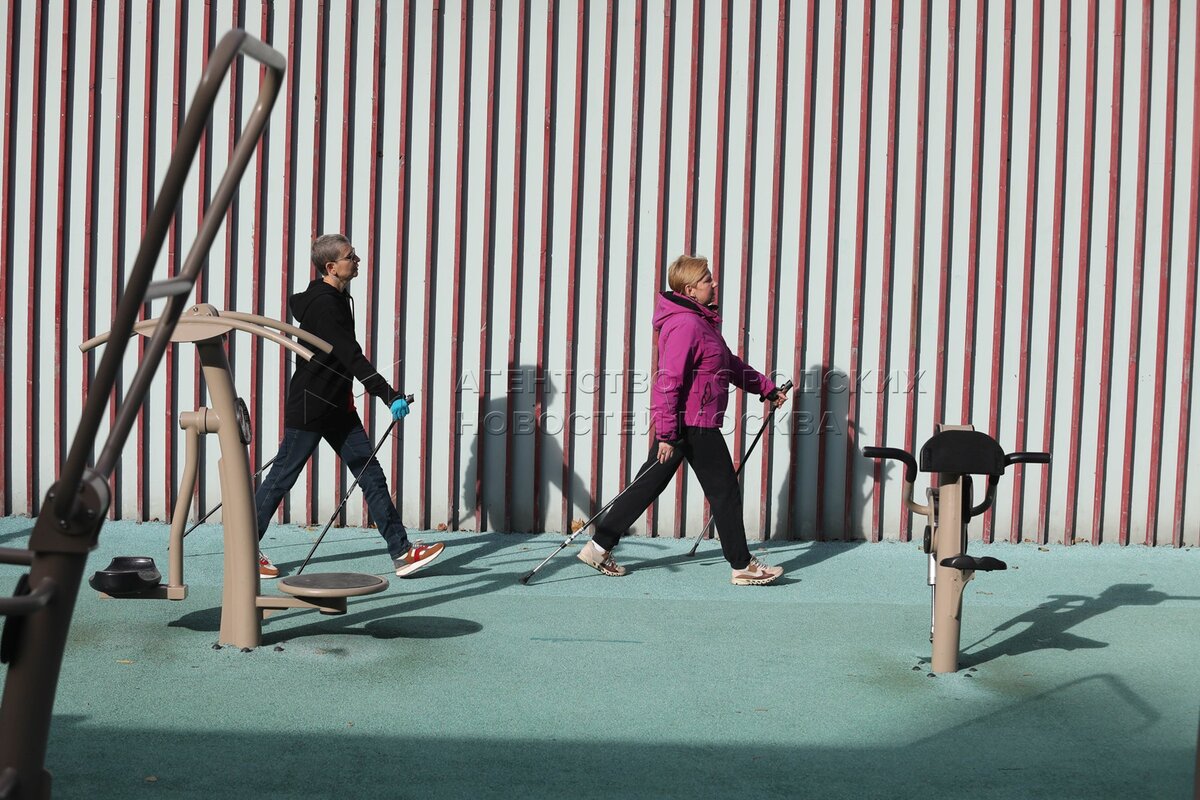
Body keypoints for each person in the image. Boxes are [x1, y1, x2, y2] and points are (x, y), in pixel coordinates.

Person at [578, 254, 789, 585]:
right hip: (693, 424)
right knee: (724, 492)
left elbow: (729, 364)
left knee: (648, 484)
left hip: (688, 423)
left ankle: (598, 546)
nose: (713, 283)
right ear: (690, 289)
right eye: (707, 279)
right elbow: (668, 381)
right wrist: (666, 434)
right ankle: (743, 565)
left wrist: (767, 388)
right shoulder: (687, 325)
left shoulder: (701, 323)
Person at [253, 234, 443, 579]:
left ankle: (402, 553)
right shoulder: (326, 305)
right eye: (350, 257)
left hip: (338, 406)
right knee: (282, 477)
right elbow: (351, 355)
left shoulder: (338, 298)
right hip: (311, 407)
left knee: (371, 476)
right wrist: (389, 394)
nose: (357, 261)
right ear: (331, 267)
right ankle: (244, 548)